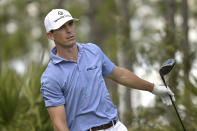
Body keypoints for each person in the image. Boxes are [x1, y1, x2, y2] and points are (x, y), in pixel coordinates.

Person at [40, 9, 175, 131]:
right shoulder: (51, 77)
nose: (69, 30)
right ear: (51, 35)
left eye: (70, 24)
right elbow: (59, 125)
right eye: (62, 27)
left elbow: (120, 75)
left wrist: (153, 88)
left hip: (116, 126)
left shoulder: (92, 51)